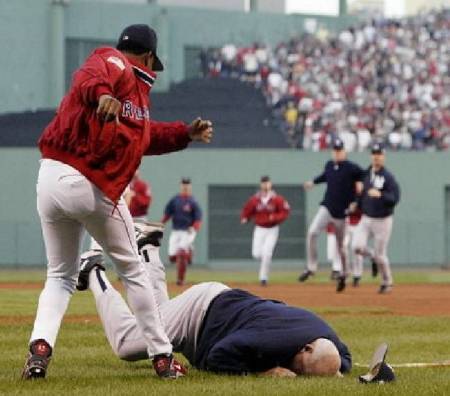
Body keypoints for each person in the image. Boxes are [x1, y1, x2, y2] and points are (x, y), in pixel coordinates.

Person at [23, 24, 213, 380]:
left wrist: (183, 134)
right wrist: (102, 95)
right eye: (153, 63)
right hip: (87, 181)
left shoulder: (132, 99)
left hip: (50, 180)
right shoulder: (114, 63)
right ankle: (162, 357)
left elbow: (145, 136)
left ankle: (39, 350)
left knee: (60, 276)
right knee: (134, 271)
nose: (153, 71)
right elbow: (92, 77)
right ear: (147, 57)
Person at [75, 222, 352, 377]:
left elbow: (344, 359)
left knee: (157, 312)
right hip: (198, 317)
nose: (298, 373)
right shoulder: (272, 341)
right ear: (304, 348)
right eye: (301, 368)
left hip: (217, 300)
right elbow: (219, 355)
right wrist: (265, 372)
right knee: (126, 343)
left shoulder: (325, 336)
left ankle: (147, 247)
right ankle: (93, 271)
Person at [298, 138, 364, 292]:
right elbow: (324, 176)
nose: (337, 153)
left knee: (341, 247)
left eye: (339, 150)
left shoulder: (351, 168)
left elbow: (364, 175)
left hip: (342, 213)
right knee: (312, 232)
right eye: (335, 150)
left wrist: (360, 183)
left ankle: (345, 272)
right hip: (327, 207)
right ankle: (311, 267)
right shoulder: (329, 165)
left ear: (344, 152)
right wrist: (312, 182)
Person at [353, 143, 400, 294]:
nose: (376, 156)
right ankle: (372, 256)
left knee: (381, 255)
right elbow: (362, 193)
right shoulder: (367, 174)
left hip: (383, 220)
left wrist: (381, 195)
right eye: (374, 154)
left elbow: (395, 198)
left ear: (383, 157)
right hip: (366, 218)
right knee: (356, 246)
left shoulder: (388, 177)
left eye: (379, 154)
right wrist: (357, 203)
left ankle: (387, 282)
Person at [240, 176, 290, 286]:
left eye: (267, 183)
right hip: (259, 229)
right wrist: (245, 217)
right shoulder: (255, 199)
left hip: (272, 229)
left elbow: (285, 211)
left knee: (267, 253)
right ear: (261, 185)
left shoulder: (277, 199)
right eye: (263, 183)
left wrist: (275, 217)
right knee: (256, 254)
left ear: (270, 184)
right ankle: (265, 262)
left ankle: (263, 278)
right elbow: (247, 210)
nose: (265, 185)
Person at [162, 178, 202, 285]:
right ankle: (189, 253)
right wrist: (161, 224)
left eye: (187, 185)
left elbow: (198, 219)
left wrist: (194, 227)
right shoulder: (175, 200)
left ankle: (180, 280)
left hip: (188, 231)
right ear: (180, 186)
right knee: (172, 257)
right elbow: (167, 214)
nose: (185, 187)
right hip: (176, 231)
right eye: (184, 185)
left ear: (190, 187)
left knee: (181, 253)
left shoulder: (193, 201)